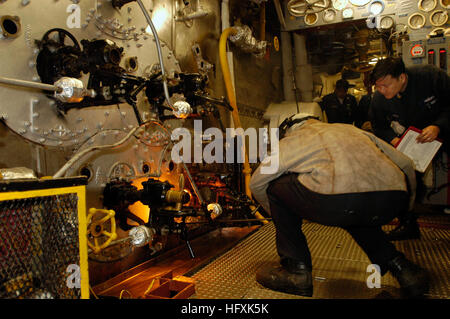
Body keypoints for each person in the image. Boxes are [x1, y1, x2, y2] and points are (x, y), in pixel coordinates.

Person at [250, 114, 429, 298]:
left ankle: (296, 272)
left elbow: (257, 182)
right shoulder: (354, 130)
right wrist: (407, 209)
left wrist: (279, 213)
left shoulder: (293, 138)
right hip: (391, 200)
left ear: (288, 130)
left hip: (339, 202)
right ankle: (403, 268)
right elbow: (406, 164)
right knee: (355, 212)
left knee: (274, 186)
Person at [369, 57, 450, 241]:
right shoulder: (379, 98)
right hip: (414, 141)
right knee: (406, 177)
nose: (381, 90)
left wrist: (438, 126)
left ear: (402, 78)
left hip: (444, 130)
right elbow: (378, 125)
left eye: (386, 85)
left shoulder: (431, 77)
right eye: (378, 86)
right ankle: (408, 224)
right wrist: (393, 139)